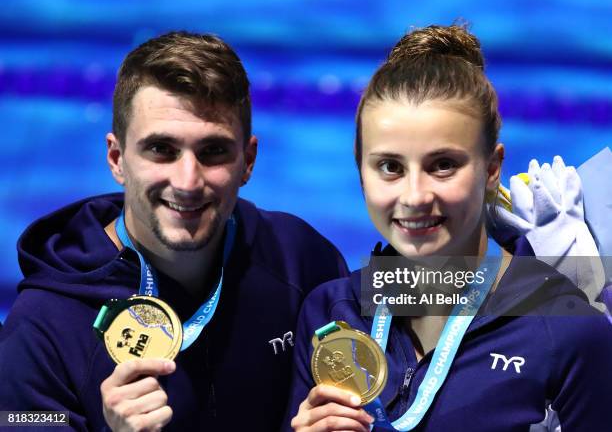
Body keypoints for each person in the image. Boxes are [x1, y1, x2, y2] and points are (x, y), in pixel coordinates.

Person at [0, 31, 348, 431]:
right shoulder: (41, 329)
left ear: (248, 161)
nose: (187, 181)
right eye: (161, 149)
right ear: (117, 158)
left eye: (213, 151)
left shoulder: (301, 258)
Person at [285, 25, 612, 431]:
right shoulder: (332, 311)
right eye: (390, 167)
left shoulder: (568, 332)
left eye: (443, 165)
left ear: (492, 169)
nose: (415, 195)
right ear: (360, 171)